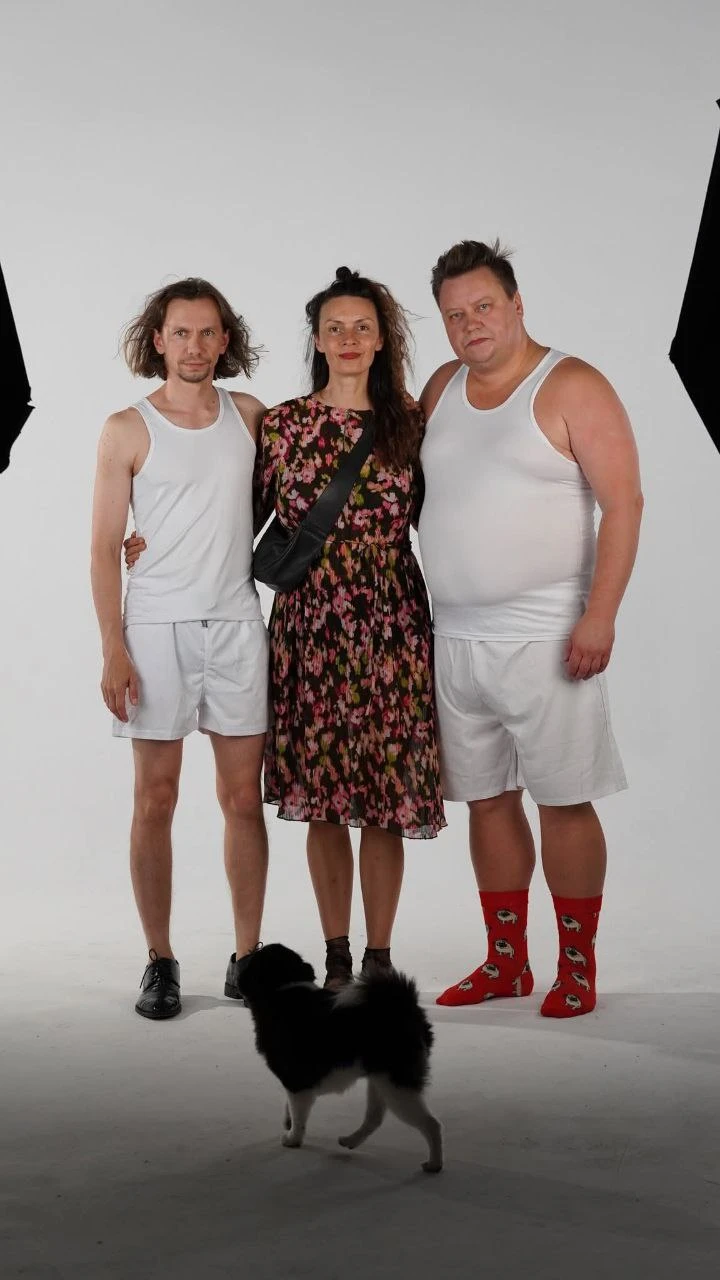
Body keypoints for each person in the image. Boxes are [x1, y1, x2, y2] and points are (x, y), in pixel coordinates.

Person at [418, 240, 643, 1017]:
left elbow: (624, 503)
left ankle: (576, 967)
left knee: (563, 799)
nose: (471, 324)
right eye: (455, 315)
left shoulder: (572, 384)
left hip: (548, 634)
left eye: (484, 306)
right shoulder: (441, 386)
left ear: (516, 304)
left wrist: (600, 614)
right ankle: (506, 962)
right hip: (454, 634)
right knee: (485, 800)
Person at [254, 266, 446, 989]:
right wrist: (146, 544)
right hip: (310, 625)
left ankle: (379, 957)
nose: (348, 338)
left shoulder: (410, 423)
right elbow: (233, 520)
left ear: (382, 338)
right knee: (324, 800)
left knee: (386, 802)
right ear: (315, 339)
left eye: (362, 326)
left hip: (393, 623)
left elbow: (451, 516)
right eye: (334, 327)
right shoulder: (283, 425)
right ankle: (337, 955)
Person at [90, 277, 270, 1020]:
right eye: (180, 333)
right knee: (154, 799)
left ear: (225, 340)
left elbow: (285, 504)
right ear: (158, 339)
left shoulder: (250, 416)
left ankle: (248, 959)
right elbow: (104, 546)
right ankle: (159, 960)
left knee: (243, 800)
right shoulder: (126, 428)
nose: (194, 346)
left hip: (236, 624)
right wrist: (113, 649)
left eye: (207, 332)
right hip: (156, 627)